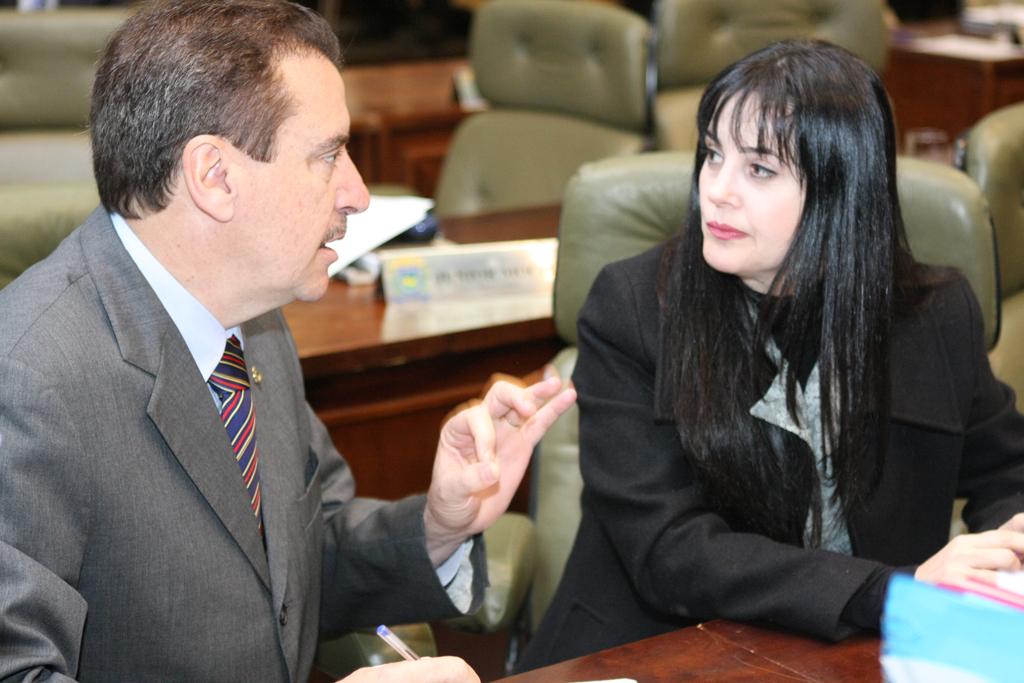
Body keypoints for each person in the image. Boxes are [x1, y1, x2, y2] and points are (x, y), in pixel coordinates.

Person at [0, 1, 575, 681]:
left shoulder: (255, 325)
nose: (357, 192)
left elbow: (299, 564)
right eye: (328, 154)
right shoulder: (28, 379)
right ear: (214, 176)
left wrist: (440, 524)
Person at [518, 39, 1024, 670]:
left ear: (842, 192)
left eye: (759, 169)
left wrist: (1012, 542)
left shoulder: (935, 314)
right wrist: (890, 591)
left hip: (859, 657)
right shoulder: (634, 308)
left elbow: (1006, 472)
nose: (717, 191)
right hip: (654, 655)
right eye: (712, 155)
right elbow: (672, 552)